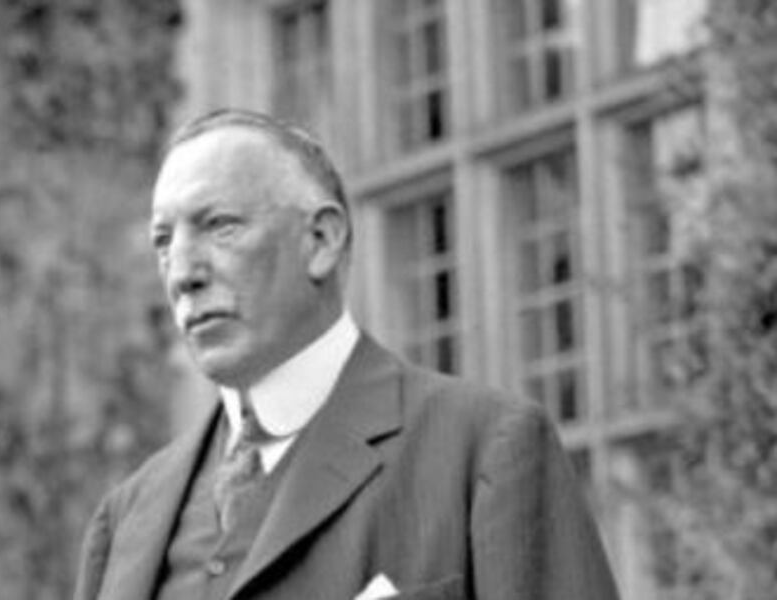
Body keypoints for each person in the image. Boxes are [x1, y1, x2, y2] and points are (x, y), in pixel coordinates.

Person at [74, 109, 620, 600]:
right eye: (164, 241)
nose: (183, 272)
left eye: (220, 226)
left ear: (321, 240)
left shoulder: (485, 449)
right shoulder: (125, 520)